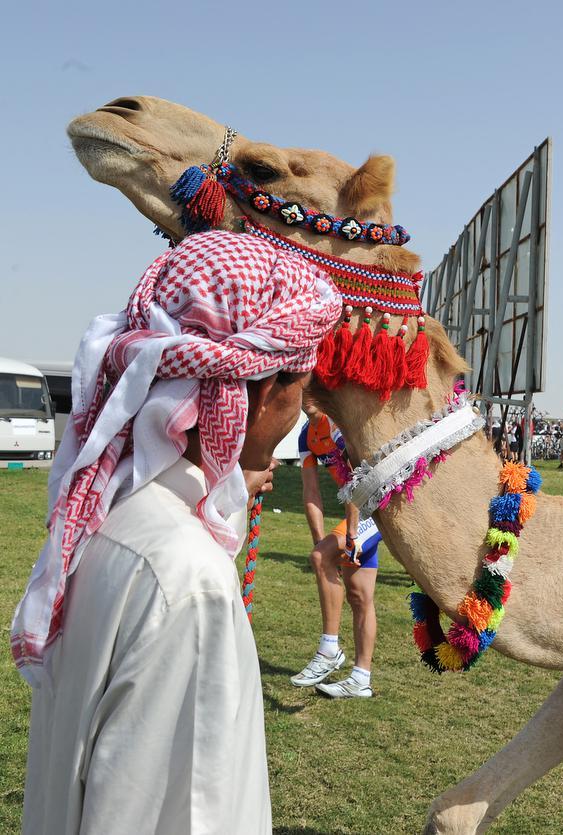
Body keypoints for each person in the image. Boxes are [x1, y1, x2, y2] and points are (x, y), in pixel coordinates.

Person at [13, 230, 341, 834]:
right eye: (302, 388)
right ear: (267, 390)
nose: (304, 410)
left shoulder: (106, 524)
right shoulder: (187, 579)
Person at [291, 401, 384, 699]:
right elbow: (311, 493)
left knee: (322, 558)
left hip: (377, 511)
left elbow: (354, 481)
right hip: (360, 512)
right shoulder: (306, 435)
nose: (306, 398)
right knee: (359, 595)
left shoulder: (338, 427)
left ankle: (330, 649)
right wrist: (319, 539)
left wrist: (352, 533)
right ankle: (361, 679)